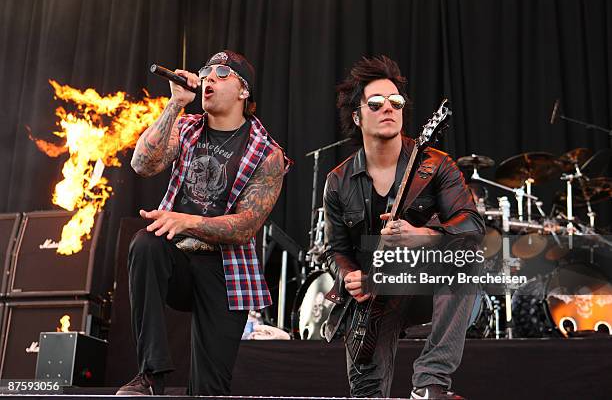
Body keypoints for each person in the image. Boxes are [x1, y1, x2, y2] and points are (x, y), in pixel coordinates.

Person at [116, 50, 291, 396]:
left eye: (222, 73)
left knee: (209, 390)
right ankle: (151, 376)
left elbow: (246, 226)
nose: (209, 77)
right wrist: (175, 104)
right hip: (178, 259)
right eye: (206, 71)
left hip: (226, 273)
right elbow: (141, 164)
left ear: (244, 91)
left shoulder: (267, 154)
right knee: (145, 244)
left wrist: (188, 220)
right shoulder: (186, 127)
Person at [322, 56, 485, 399]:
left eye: (395, 103)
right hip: (374, 296)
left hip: (423, 284)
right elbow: (335, 249)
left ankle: (430, 382)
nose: (388, 109)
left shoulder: (436, 164)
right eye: (376, 103)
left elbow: (472, 224)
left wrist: (423, 236)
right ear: (357, 116)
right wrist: (349, 275)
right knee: (367, 391)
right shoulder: (337, 182)